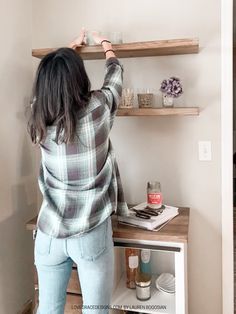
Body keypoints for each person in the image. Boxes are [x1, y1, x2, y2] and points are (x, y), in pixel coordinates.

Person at [28, 29, 128, 314]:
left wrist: (68, 49)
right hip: (89, 234)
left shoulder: (37, 119)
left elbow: (44, 91)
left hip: (48, 234)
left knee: (48, 308)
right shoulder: (98, 110)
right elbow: (115, 79)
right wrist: (107, 46)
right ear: (79, 78)